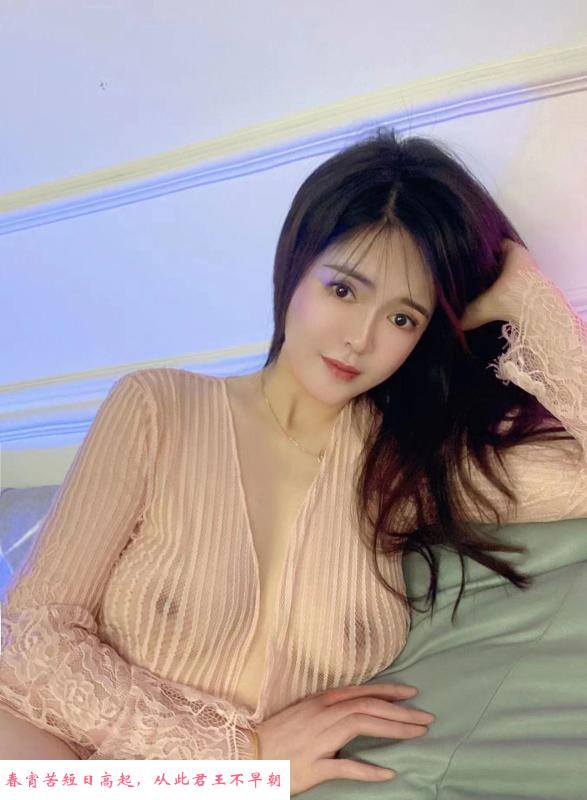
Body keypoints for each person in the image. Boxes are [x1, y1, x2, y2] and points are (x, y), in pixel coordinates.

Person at [0, 127, 585, 796]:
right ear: (294, 269)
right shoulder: (158, 408)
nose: (359, 338)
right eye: (343, 290)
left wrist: (525, 298)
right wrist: (239, 760)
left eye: (402, 319)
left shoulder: (408, 470)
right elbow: (37, 636)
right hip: (54, 764)